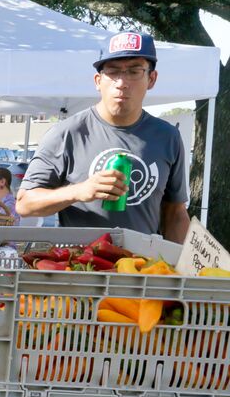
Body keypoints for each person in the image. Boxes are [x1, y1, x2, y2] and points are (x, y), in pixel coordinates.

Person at [16, 31, 190, 242]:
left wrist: (181, 268)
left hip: (144, 269)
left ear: (151, 79)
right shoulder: (67, 133)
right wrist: (79, 191)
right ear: (98, 81)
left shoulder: (167, 137)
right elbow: (25, 204)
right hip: (81, 267)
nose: (122, 82)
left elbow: (175, 213)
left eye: (134, 71)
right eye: (113, 72)